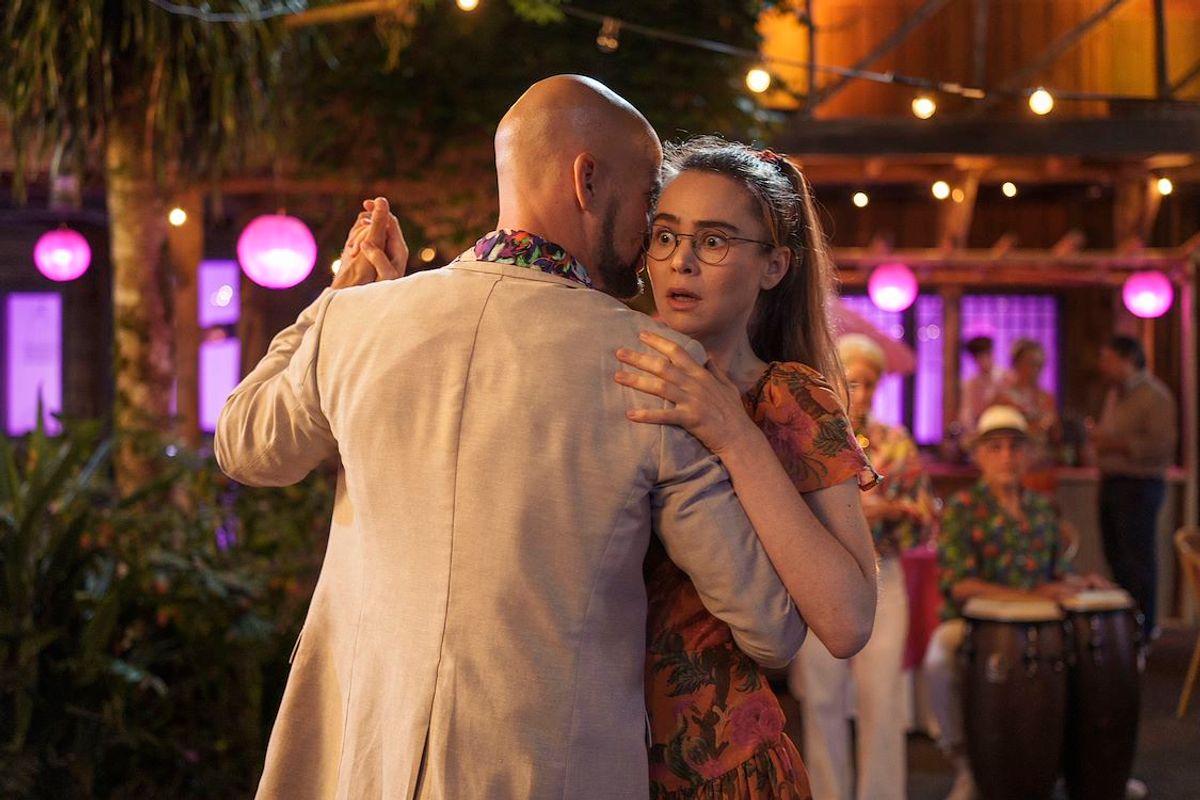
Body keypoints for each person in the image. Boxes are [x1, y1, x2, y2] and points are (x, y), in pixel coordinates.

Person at [216, 76, 810, 800]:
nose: (653, 225)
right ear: (587, 180)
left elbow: (245, 444)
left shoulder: (356, 323)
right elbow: (771, 623)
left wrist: (339, 295)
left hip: (367, 767)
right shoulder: (654, 364)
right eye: (649, 193)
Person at [613, 137, 879, 798]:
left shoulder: (789, 399)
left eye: (714, 241)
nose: (681, 261)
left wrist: (735, 433)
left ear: (773, 266)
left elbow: (847, 622)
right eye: (665, 236)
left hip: (724, 770)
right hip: (592, 756)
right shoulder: (606, 367)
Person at [924, 404, 1108, 800]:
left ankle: (1085, 766)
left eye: (1015, 447)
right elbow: (960, 586)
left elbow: (1057, 574)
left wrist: (1083, 583)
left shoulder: (1042, 509)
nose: (1007, 457)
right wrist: (1028, 597)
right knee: (939, 657)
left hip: (1042, 626)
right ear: (980, 456)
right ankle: (965, 762)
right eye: (996, 448)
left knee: (1093, 657)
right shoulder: (962, 509)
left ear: (1028, 455)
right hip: (975, 625)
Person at [788, 334, 933, 800]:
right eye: (853, 382)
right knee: (822, 698)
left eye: (870, 383)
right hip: (821, 573)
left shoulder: (896, 442)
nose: (863, 392)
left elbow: (922, 515)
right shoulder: (810, 437)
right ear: (833, 382)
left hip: (883, 572)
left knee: (882, 697)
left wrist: (887, 511)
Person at [1091, 334, 1178, 636]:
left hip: (1139, 486)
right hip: (1111, 482)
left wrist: (1114, 444)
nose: (1102, 366)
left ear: (1127, 360)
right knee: (1116, 557)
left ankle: (1144, 627)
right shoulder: (1114, 395)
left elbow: (1161, 446)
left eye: (1107, 359)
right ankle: (1123, 628)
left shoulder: (1155, 396)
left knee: (1138, 560)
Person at [992, 338, 1059, 470]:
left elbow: (1055, 436)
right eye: (1031, 363)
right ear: (1017, 364)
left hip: (1042, 465)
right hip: (1012, 464)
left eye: (1040, 365)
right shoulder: (1004, 398)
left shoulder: (1046, 398)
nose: (1036, 370)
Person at [957, 336, 1001, 433]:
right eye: (980, 357)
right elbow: (966, 415)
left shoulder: (1006, 379)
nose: (984, 361)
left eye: (987, 355)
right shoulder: (970, 385)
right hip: (982, 432)